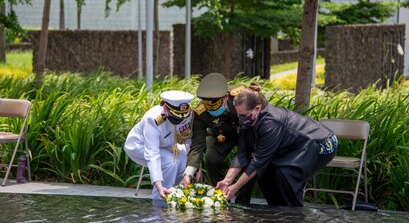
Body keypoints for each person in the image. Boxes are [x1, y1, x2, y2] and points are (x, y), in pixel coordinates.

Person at [216, 83, 338, 207]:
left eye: (243, 115)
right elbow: (242, 152)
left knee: (285, 175)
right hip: (293, 146)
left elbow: (259, 160)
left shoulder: (271, 122)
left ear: (257, 109)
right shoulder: (247, 121)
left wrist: (236, 187)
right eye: (238, 115)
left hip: (320, 144)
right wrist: (227, 180)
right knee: (264, 174)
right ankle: (277, 213)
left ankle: (293, 215)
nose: (240, 119)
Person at [179, 73, 255, 205]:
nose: (212, 111)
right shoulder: (200, 113)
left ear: (226, 97)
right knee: (211, 160)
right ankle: (222, 196)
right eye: (209, 108)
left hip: (246, 134)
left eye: (216, 106)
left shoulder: (240, 97)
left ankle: (243, 200)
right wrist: (188, 174)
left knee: (250, 161)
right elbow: (197, 145)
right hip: (220, 137)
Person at [124, 90, 194, 201]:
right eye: (176, 118)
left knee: (185, 162)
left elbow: (189, 140)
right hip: (139, 145)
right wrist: (158, 185)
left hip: (166, 145)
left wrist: (194, 167)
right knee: (171, 163)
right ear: (165, 109)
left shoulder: (188, 114)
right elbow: (153, 154)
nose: (180, 121)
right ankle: (161, 199)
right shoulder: (153, 119)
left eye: (182, 118)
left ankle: (178, 196)